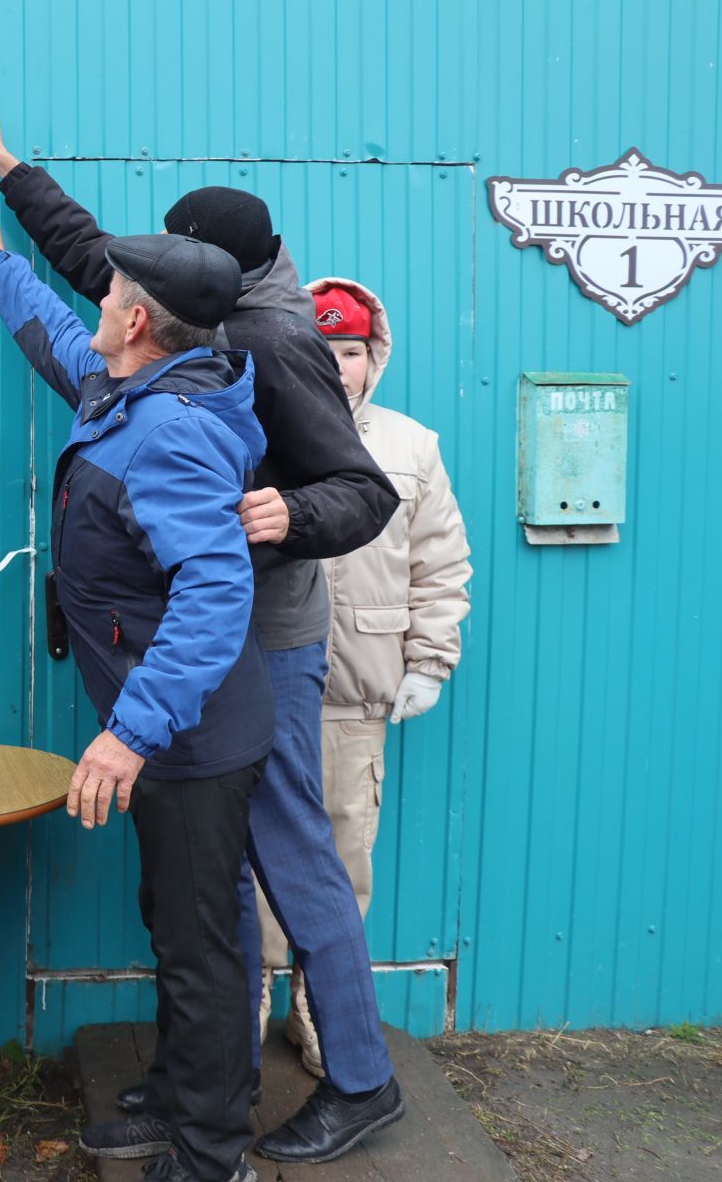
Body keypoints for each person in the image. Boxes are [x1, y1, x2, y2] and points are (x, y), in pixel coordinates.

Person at [0, 99, 406, 1165]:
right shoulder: (177, 331)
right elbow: (87, 280)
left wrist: (290, 514)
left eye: (137, 280)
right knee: (204, 894)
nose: (119, 286)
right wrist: (5, 168)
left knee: (285, 858)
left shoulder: (273, 348)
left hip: (266, 634)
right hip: (192, 646)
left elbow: (361, 492)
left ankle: (359, 1076)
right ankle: (213, 1081)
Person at [0, 214, 270, 1182]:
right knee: (174, 915)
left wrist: (130, 733)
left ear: (138, 321)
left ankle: (213, 1150)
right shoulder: (129, 387)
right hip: (170, 727)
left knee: (200, 942)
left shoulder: (170, 431)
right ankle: (184, 1088)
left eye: (108, 295)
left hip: (191, 733)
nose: (96, 301)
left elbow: (217, 594)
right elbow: (61, 337)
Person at [256, 278, 472, 1074]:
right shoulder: (260, 428)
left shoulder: (410, 445)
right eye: (323, 350)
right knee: (253, 865)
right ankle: (243, 1011)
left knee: (343, 858)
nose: (338, 367)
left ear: (371, 357)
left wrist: (428, 660)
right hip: (265, 688)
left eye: (351, 351)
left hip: (355, 695)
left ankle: (321, 1019)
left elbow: (440, 563)